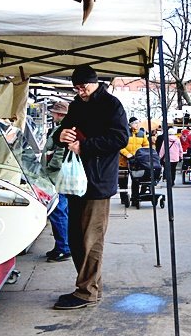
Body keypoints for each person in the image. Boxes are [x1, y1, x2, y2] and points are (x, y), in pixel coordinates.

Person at [54, 64, 129, 310]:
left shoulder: (111, 105)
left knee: (91, 238)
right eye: (76, 88)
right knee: (76, 237)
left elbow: (120, 138)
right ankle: (88, 285)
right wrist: (61, 135)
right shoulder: (77, 104)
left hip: (98, 181)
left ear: (94, 81)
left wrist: (84, 147)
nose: (80, 91)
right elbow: (64, 128)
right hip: (77, 180)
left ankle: (87, 291)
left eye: (83, 86)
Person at [42, 100, 71, 262]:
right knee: (61, 211)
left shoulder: (63, 129)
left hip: (57, 177)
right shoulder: (60, 128)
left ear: (59, 114)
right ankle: (62, 245)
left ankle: (63, 247)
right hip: (59, 177)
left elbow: (60, 154)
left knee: (58, 211)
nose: (52, 114)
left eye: (53, 112)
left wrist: (50, 167)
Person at [119, 121, 149, 208]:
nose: (137, 125)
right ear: (130, 124)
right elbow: (120, 145)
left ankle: (134, 198)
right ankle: (123, 198)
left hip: (137, 160)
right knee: (123, 181)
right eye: (135, 123)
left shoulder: (141, 134)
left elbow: (146, 145)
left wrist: (142, 154)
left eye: (138, 123)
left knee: (136, 180)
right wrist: (127, 154)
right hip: (124, 160)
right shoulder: (125, 133)